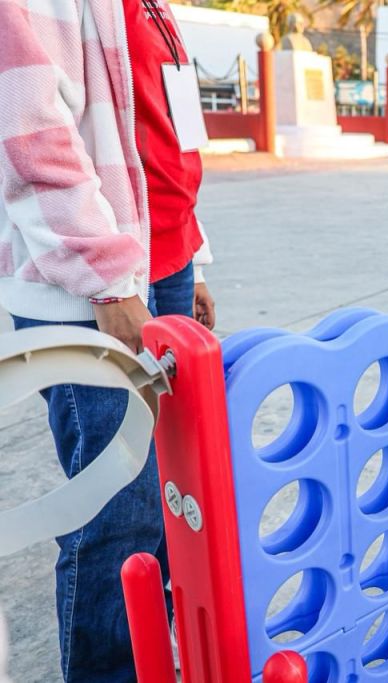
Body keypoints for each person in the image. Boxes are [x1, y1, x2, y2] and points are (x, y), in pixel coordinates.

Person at [0, 1, 216, 680]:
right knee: (118, 512)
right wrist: (110, 285)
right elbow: (33, 138)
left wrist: (193, 258)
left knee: (176, 495)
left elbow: (166, 136)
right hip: (89, 285)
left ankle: (155, 657)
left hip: (163, 265)